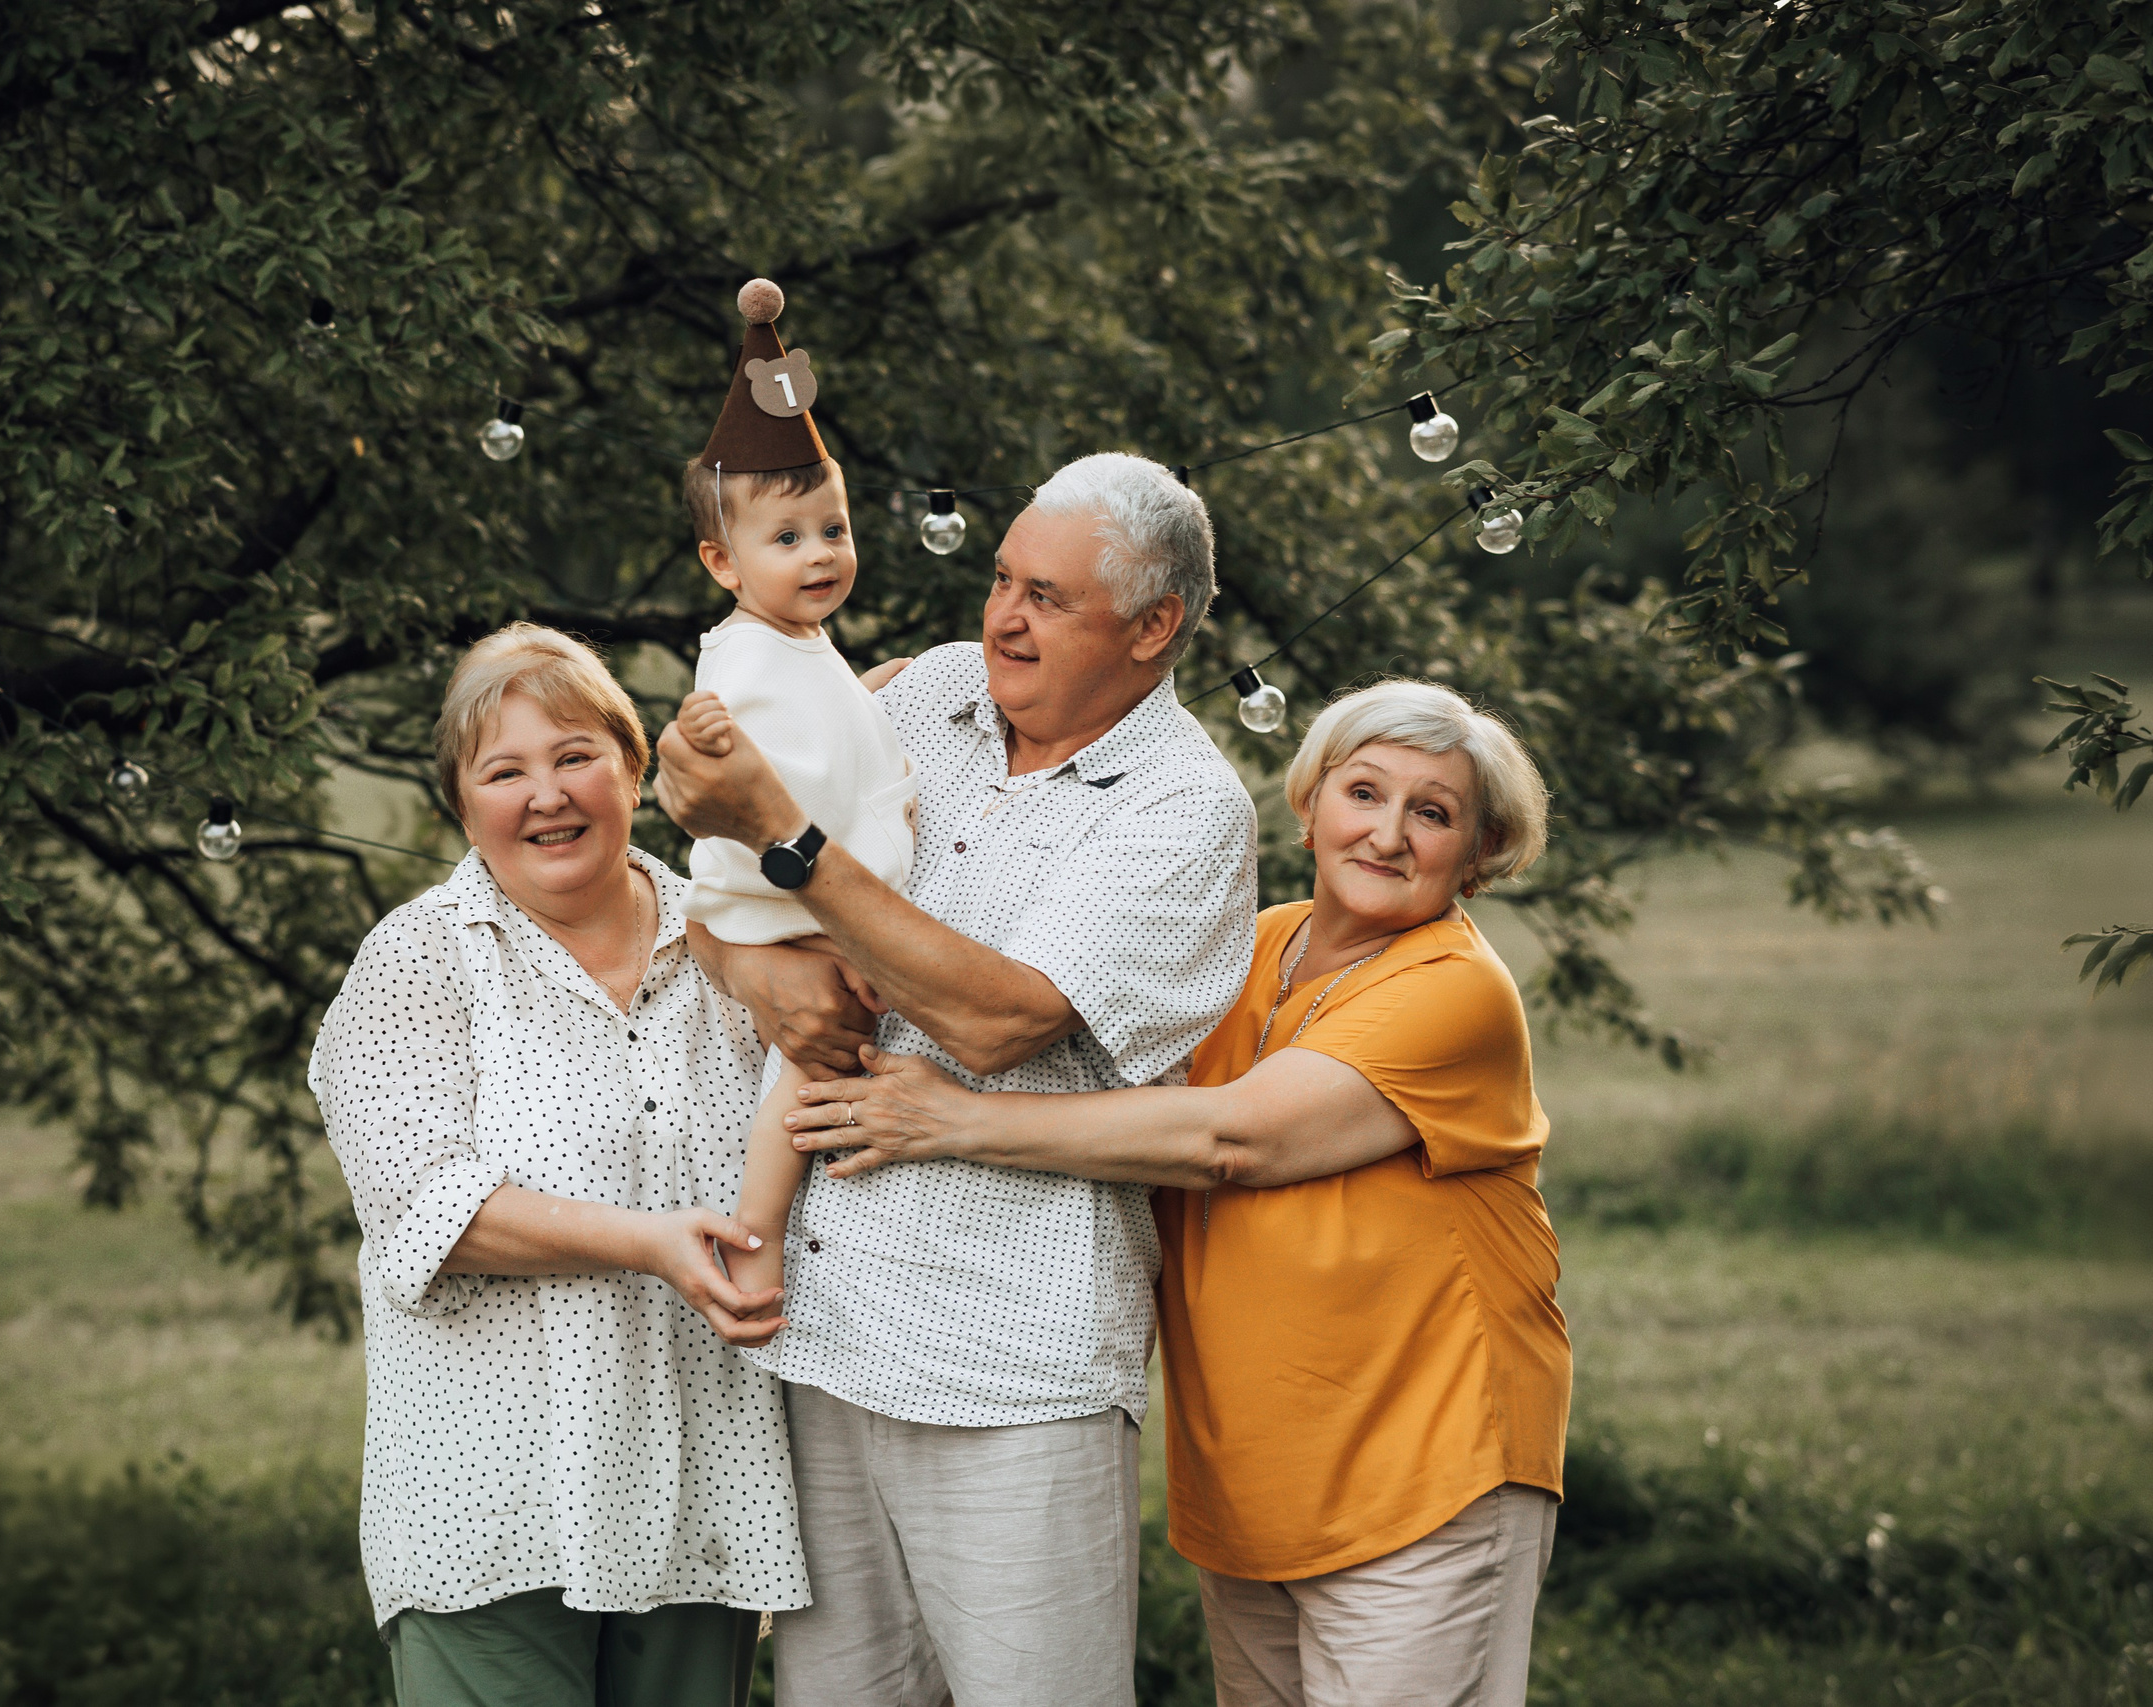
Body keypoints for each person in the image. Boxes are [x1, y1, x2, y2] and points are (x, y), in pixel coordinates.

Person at [780, 677, 1570, 1707]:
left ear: (1478, 854)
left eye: (1433, 814)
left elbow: (1230, 1139)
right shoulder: (1249, 952)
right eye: (1364, 793)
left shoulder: (1452, 990)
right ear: (1310, 804)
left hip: (1425, 1466)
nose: (1386, 833)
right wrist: (837, 691)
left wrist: (955, 1119)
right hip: (1258, 1480)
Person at [654, 452, 1257, 1707]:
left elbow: (999, 1020)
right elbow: (717, 868)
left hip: (1009, 1361)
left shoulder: (1182, 808)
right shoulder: (925, 692)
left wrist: (791, 842)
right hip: (822, 1334)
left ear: (1155, 628)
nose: (1001, 617)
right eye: (999, 580)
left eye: (1047, 597)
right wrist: (740, 963)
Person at [308, 624, 805, 1707]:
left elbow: (819, 1101)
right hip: (490, 1507)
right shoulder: (421, 958)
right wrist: (648, 1245)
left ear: (634, 767)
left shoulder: (729, 938)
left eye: (575, 755)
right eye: (505, 771)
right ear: (462, 802)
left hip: (701, 1488)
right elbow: (425, 1213)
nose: (547, 795)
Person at [673, 277, 918, 1314]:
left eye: (833, 529)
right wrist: (703, 734)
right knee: (807, 1073)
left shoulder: (798, 641)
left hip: (815, 893)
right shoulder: (740, 657)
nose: (819, 554)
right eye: (786, 540)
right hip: (785, 906)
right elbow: (722, 733)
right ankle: (758, 1239)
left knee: (824, 1060)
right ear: (722, 562)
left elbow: (818, 718)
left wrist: (867, 691)